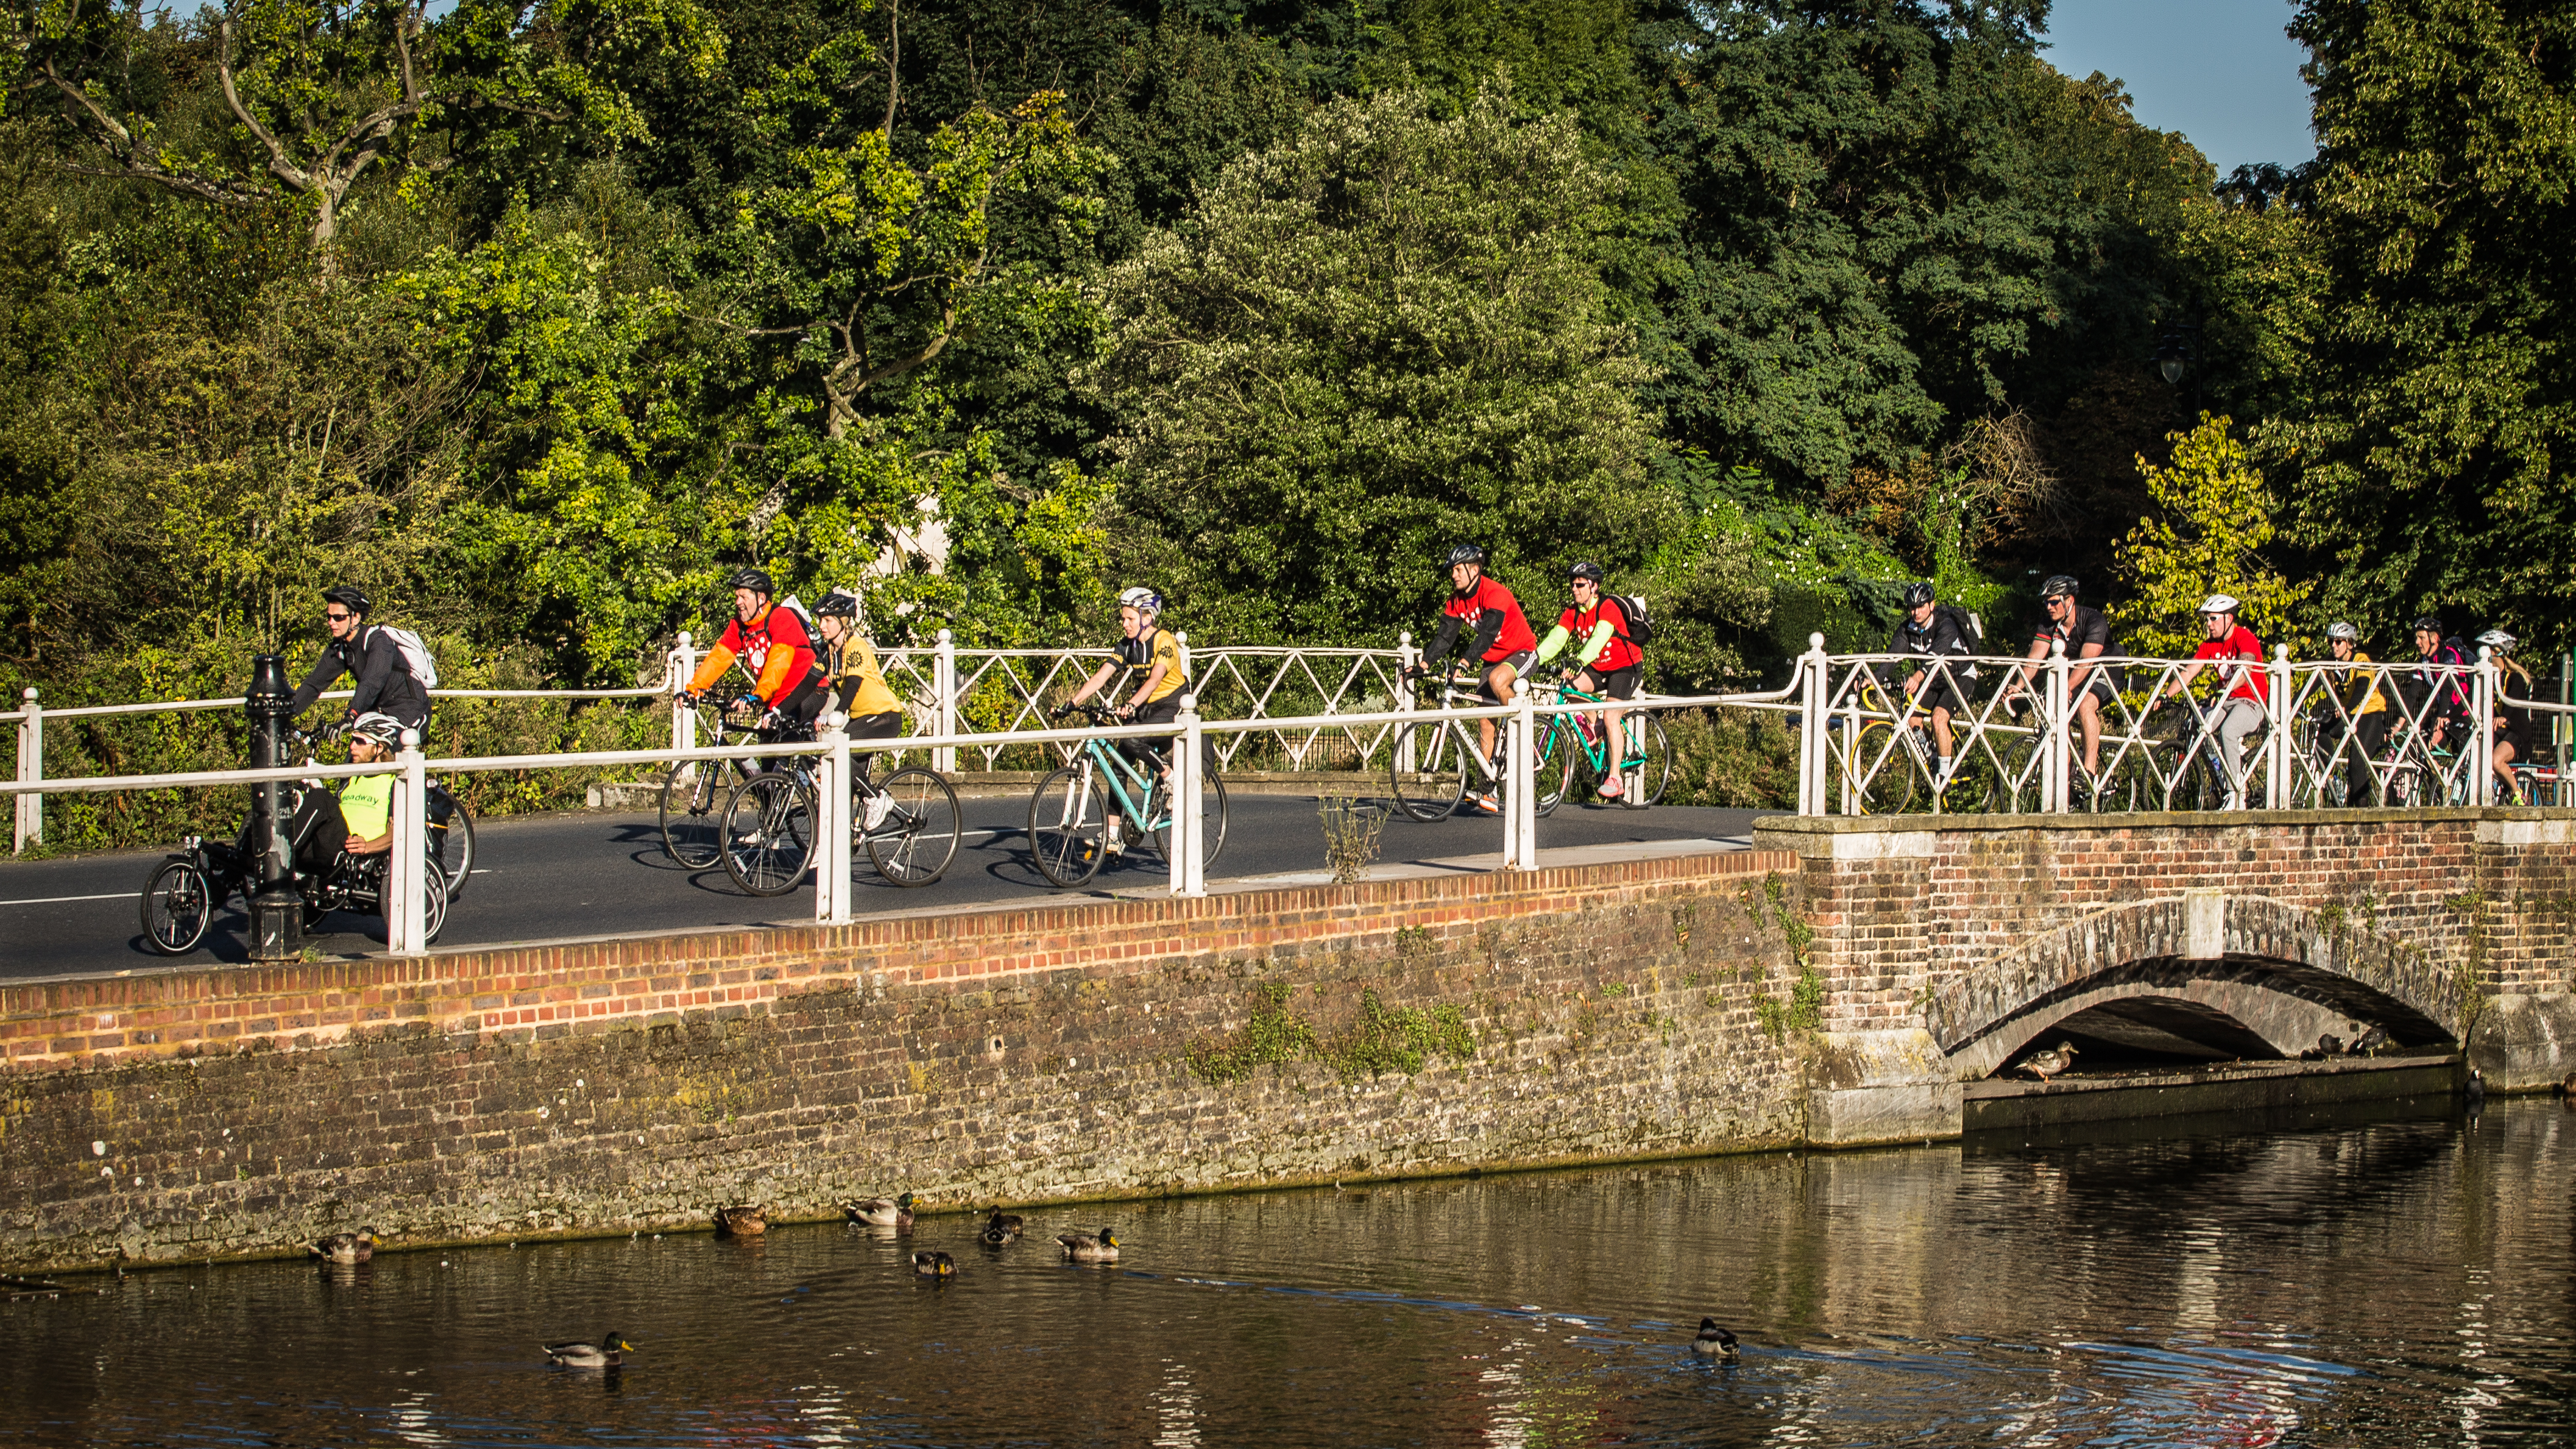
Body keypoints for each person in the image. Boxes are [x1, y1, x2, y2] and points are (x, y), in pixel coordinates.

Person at [1405, 544, 1538, 815]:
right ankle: (1489, 792)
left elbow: (1487, 634)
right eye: (1451, 570)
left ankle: (1521, 730)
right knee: (1484, 723)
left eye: (1457, 569)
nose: (1453, 575)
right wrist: (1423, 664)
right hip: (1492, 660)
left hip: (1522, 652)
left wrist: (1464, 663)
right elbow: (1445, 636)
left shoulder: (1495, 593)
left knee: (1499, 681)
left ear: (1474, 569)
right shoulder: (1456, 600)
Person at [1531, 562, 1643, 801]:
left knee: (1612, 716)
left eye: (1580, 584)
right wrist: (1534, 660)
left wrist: (1579, 661)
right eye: (1572, 584)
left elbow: (1599, 637)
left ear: (1594, 586)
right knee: (1568, 688)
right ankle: (1595, 724)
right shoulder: (1573, 612)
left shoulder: (1608, 606)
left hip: (1626, 666)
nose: (1574, 588)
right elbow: (1556, 639)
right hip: (1600, 666)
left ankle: (1615, 777)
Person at [681, 569, 829, 742]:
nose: (738, 602)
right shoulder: (739, 625)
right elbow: (719, 658)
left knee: (784, 753)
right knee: (767, 756)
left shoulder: (782, 617)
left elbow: (778, 663)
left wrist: (759, 694)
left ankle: (810, 766)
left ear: (761, 599)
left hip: (808, 691)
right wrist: (694, 689)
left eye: (744, 597)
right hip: (775, 698)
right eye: (737, 597)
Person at [1061, 587, 1189, 782]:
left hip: (1172, 705)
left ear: (1146, 619)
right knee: (1119, 766)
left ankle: (1170, 778)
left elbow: (1155, 680)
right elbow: (1100, 678)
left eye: (1130, 619)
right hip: (1147, 707)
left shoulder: (1164, 640)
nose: (1124, 624)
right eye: (1123, 619)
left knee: (1131, 739)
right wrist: (1072, 703)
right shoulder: (1127, 645)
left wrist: (1131, 705)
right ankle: (1117, 815)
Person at [2006, 575, 2115, 795]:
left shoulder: (2094, 620)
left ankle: (2089, 772)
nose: (2049, 607)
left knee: (2085, 705)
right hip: (2077, 673)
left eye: (2054, 602)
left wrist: (2065, 688)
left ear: (2070, 601)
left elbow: (2087, 662)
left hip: (2106, 669)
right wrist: (2018, 686)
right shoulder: (2048, 624)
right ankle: (2066, 775)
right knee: (2058, 712)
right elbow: (2035, 658)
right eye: (2046, 602)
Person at [2157, 595, 2268, 811]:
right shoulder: (2209, 645)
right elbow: (2189, 672)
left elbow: (2244, 671)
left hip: (2251, 702)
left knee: (2228, 730)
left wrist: (2224, 689)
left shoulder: (2245, 638)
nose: (2209, 624)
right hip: (2226, 701)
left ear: (2229, 618)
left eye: (2213, 619)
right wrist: (2165, 696)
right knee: (2199, 724)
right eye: (2207, 619)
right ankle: (2222, 773)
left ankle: (2236, 794)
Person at [813, 590, 907, 832]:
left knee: (840, 753)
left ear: (843, 622)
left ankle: (877, 798)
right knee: (843, 775)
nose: (822, 626)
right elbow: (809, 683)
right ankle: (847, 834)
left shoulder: (856, 646)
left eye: (828, 620)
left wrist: (838, 713)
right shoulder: (830, 651)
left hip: (884, 716)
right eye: (820, 620)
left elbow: (853, 684)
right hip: (861, 718)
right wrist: (781, 712)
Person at [292, 585, 431, 733]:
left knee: (386, 753)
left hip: (410, 711)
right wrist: (283, 716)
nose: (331, 622)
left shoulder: (378, 641)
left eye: (338, 618)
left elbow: (372, 682)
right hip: (379, 713)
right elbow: (313, 685)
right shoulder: (340, 648)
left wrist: (351, 717)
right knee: (355, 754)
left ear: (356, 618)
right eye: (329, 617)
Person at [286, 712, 403, 874]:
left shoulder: (393, 781)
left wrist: (367, 847)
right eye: (353, 740)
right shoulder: (352, 777)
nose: (352, 746)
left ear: (379, 748)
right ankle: (253, 853)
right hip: (330, 843)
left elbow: (396, 832)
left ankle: (281, 854)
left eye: (360, 741)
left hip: (352, 854)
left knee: (321, 797)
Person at [1886, 581, 1975, 792]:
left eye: (1921, 606)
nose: (1916, 612)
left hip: (1959, 676)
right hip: (1934, 680)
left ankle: (1944, 775)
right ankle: (1934, 757)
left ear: (1932, 605)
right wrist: (1872, 678)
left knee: (1938, 717)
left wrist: (1918, 675)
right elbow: (1892, 658)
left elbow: (1937, 654)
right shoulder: (1908, 628)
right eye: (1912, 607)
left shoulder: (1946, 624)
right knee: (1913, 718)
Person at [2317, 622, 2391, 806]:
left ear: (2349, 644)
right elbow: (2313, 683)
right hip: (2349, 715)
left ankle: (2362, 812)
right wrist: (2290, 705)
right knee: (2323, 732)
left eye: (2338, 642)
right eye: (2330, 641)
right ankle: (2335, 780)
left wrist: (2346, 709)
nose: (2333, 645)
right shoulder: (2332, 661)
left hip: (2370, 714)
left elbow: (2362, 687)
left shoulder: (2362, 660)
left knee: (2356, 762)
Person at [2398, 616, 2474, 754]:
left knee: (2463, 759)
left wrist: (2441, 717)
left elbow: (2448, 688)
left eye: (2421, 638)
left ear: (2434, 638)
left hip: (2464, 713)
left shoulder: (2449, 655)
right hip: (2445, 716)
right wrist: (2398, 725)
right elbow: (2412, 694)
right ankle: (2436, 772)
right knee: (2418, 748)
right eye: (2416, 637)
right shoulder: (2424, 662)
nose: (2417, 642)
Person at [2479, 629, 2536, 806]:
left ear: (2497, 653)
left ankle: (2518, 794)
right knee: (2478, 755)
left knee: (2496, 760)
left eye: (2487, 651)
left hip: (2516, 732)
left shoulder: (2515, 678)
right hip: (2499, 730)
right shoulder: (2490, 677)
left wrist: (2503, 718)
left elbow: (2511, 701)